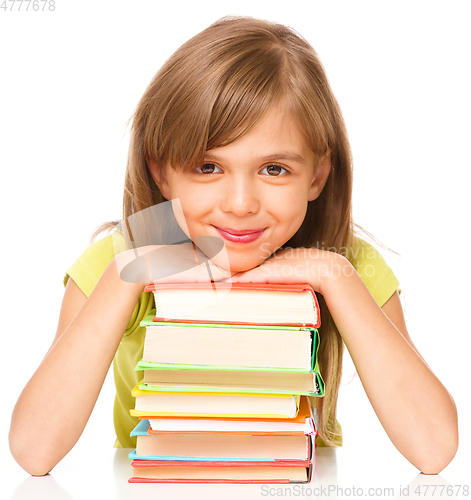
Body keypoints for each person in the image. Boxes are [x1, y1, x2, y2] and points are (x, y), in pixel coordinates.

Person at [9, 16, 458, 477]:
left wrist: (330, 277)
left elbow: (434, 448)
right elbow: (34, 451)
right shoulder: (117, 259)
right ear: (161, 172)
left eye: (274, 169)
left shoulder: (350, 264)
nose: (241, 204)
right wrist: (128, 277)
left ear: (318, 175)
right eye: (208, 167)